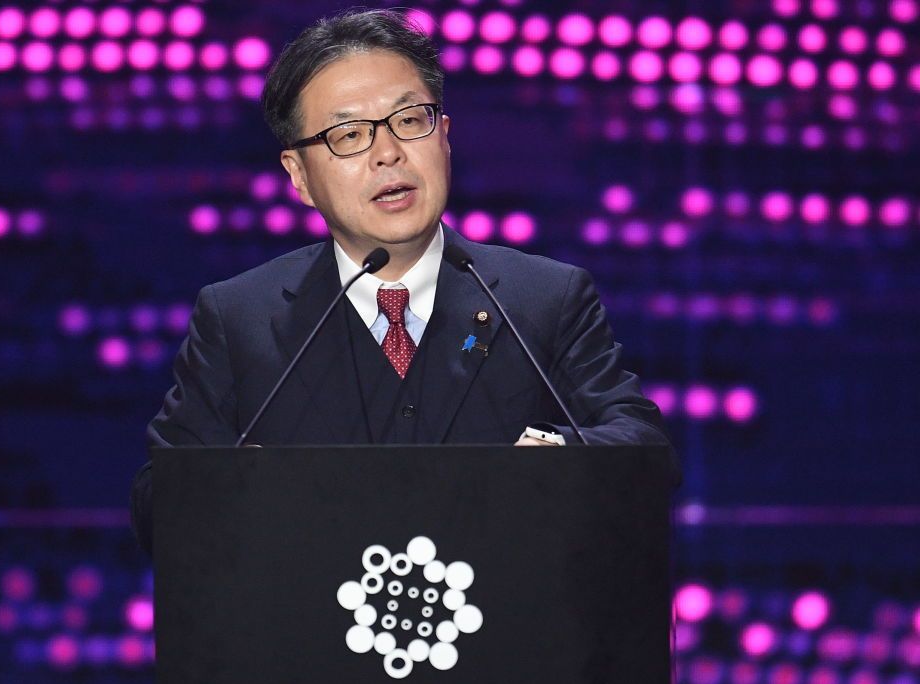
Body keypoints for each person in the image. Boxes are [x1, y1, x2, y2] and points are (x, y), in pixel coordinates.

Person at [130, 9, 675, 554]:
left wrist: (561, 456)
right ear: (298, 176)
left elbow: (648, 452)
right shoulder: (239, 318)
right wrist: (237, 487)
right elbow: (159, 503)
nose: (388, 153)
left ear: (444, 137)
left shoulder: (545, 298)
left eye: (410, 120)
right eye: (349, 135)